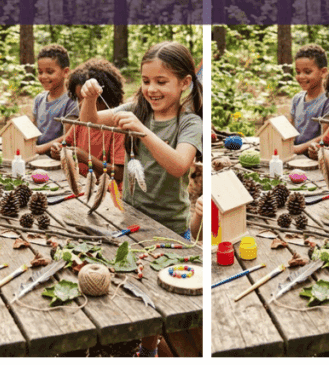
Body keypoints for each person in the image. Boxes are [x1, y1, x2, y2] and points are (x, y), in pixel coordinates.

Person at [78, 42, 202, 358]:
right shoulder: (136, 111)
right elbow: (89, 122)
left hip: (169, 231)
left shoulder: (190, 123)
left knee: (159, 295)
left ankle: (149, 349)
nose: (151, 88)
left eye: (162, 81)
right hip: (130, 222)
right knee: (126, 279)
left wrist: (143, 132)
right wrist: (89, 99)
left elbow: (179, 165)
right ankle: (116, 335)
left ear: (184, 83)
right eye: (146, 81)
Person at [54, 58, 126, 177]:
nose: (82, 104)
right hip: (80, 183)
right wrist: (57, 150)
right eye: (79, 98)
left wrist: (88, 159)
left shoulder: (119, 126)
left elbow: (120, 173)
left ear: (108, 95)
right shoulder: (81, 123)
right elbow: (64, 145)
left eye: (89, 98)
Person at [32, 44, 79, 155]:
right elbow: (32, 131)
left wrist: (40, 149)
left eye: (50, 72)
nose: (43, 76)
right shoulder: (39, 99)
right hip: (36, 156)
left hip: (57, 159)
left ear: (65, 72)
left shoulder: (71, 101)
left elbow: (68, 136)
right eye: (40, 72)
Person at [289, 44, 329, 155]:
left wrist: (298, 149)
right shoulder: (297, 99)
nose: (301, 76)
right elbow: (290, 131)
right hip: (294, 156)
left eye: (307, 72)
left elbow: (326, 136)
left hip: (315, 158)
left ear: (323, 72)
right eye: (298, 72)